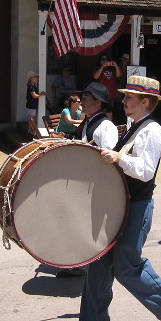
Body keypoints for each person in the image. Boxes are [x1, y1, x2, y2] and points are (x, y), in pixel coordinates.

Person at [67, 75, 161, 321]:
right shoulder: (135, 126)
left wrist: (119, 157)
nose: (123, 101)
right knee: (98, 263)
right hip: (118, 205)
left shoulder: (152, 130)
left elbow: (145, 171)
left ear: (145, 101)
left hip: (137, 206)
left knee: (126, 266)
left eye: (129, 97)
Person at [56, 83, 119, 278]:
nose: (81, 101)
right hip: (84, 184)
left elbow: (108, 160)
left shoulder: (105, 126)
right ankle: (78, 262)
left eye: (85, 98)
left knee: (89, 227)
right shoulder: (89, 122)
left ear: (98, 103)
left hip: (95, 186)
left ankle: (90, 263)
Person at [73, 82, 119, 150]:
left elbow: (110, 155)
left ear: (97, 102)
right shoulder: (87, 122)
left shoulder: (106, 126)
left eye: (85, 98)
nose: (81, 103)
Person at [26, 70, 46, 135]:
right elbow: (34, 95)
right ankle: (31, 129)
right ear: (31, 79)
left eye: (36, 77)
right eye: (34, 77)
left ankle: (31, 129)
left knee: (32, 117)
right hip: (31, 104)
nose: (36, 79)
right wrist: (41, 94)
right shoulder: (31, 87)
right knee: (32, 118)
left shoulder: (34, 86)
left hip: (33, 104)